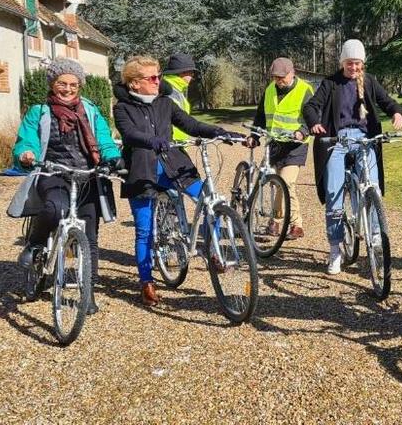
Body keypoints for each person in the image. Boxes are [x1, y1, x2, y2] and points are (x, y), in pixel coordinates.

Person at [113, 56, 240, 306]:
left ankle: (214, 249)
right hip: (141, 170)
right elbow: (129, 133)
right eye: (152, 78)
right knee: (144, 230)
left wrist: (219, 132)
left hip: (173, 164)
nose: (158, 81)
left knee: (210, 199)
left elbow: (190, 124)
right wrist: (151, 141)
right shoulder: (122, 107)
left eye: (158, 76)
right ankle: (146, 282)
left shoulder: (165, 103)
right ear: (134, 83)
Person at [10, 57, 121, 315]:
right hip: (53, 171)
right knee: (54, 209)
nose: (68, 89)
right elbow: (26, 140)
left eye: (73, 84)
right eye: (62, 83)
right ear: (52, 83)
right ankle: (36, 244)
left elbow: (103, 139)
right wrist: (26, 153)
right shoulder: (39, 111)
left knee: (90, 238)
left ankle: (88, 291)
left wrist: (113, 157)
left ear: (79, 85)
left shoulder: (90, 111)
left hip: (87, 174)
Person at [303, 39, 402, 275]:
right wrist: (315, 124)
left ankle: (376, 240)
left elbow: (387, 102)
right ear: (342, 63)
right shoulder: (330, 83)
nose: (354, 68)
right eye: (350, 64)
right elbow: (310, 107)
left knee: (373, 187)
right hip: (336, 141)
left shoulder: (369, 82)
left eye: (358, 64)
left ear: (363, 64)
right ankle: (335, 249)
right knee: (333, 193)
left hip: (364, 140)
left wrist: (397, 113)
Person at [248, 57, 314, 239]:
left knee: (286, 183)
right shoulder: (270, 90)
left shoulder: (305, 90)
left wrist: (303, 131)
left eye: (282, 77)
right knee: (278, 183)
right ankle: (276, 222)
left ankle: (295, 225)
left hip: (295, 146)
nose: (279, 81)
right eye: (276, 77)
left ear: (292, 73)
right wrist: (254, 135)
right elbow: (261, 115)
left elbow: (313, 116)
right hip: (275, 144)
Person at [162, 52, 198, 141]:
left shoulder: (178, 89)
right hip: (170, 144)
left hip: (178, 144)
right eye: (191, 72)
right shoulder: (168, 91)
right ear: (182, 72)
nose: (192, 76)